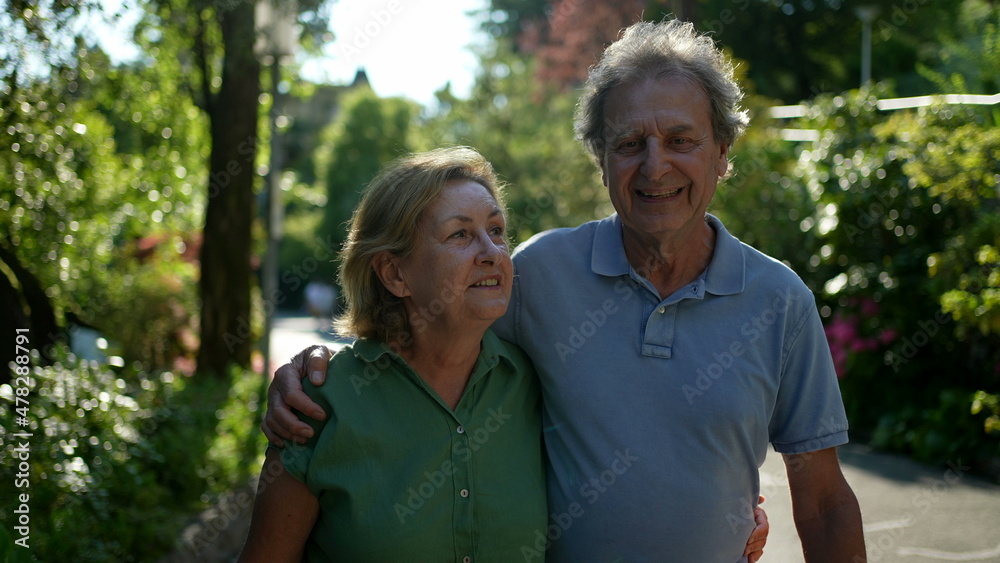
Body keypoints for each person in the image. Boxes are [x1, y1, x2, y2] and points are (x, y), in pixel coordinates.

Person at [267, 18, 848, 562]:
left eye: (681, 140)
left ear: (722, 153)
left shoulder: (780, 301)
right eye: (628, 144)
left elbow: (822, 501)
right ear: (601, 159)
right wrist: (319, 367)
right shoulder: (537, 272)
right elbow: (425, 338)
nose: (654, 166)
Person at [239, 148, 549, 561]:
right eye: (460, 234)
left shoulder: (536, 381)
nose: (491, 251)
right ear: (394, 274)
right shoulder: (320, 403)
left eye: (496, 230)